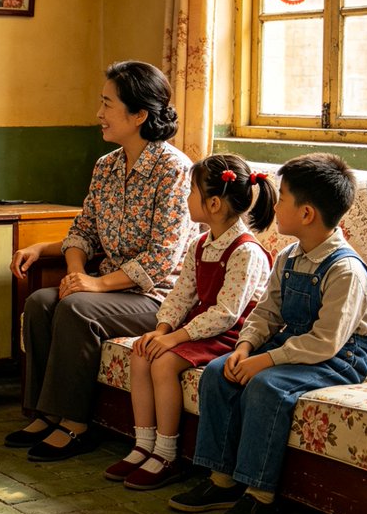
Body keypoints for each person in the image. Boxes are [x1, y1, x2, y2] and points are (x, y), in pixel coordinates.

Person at [168, 153, 367, 514]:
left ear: (306, 214)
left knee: (267, 387)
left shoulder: (344, 270)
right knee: (218, 374)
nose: (275, 204)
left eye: (283, 197)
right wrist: (246, 348)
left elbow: (325, 342)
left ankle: (260, 496)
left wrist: (266, 363)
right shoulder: (289, 256)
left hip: (339, 357)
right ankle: (221, 480)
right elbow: (266, 313)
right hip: (295, 346)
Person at [6, 60, 195, 462]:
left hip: (159, 298)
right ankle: (47, 412)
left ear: (139, 114)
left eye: (108, 104)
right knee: (42, 302)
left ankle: (75, 426)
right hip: (108, 288)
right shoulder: (105, 167)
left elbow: (162, 259)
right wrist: (76, 274)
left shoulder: (175, 171)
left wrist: (93, 286)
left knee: (78, 309)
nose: (99, 114)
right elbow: (82, 232)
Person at [105, 154, 276, 490]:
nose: (185, 199)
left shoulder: (246, 251)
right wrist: (163, 330)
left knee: (164, 363)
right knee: (142, 352)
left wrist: (174, 340)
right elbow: (181, 297)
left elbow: (227, 313)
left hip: (233, 334)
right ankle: (143, 444)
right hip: (201, 326)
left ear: (213, 203)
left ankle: (167, 454)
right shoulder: (200, 244)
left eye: (191, 192)